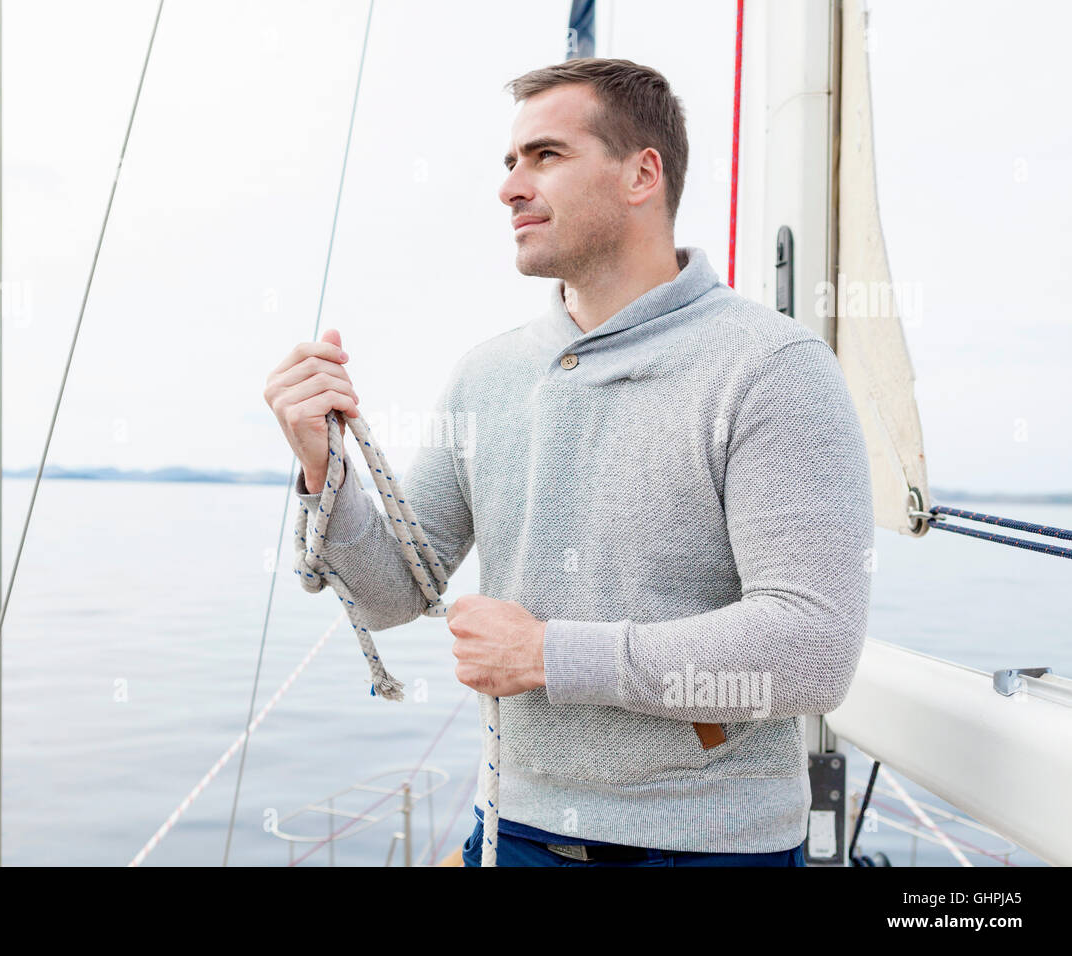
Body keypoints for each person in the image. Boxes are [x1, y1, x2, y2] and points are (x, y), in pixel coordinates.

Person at [263, 58, 872, 867]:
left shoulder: (771, 366)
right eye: (510, 163)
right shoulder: (487, 375)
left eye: (545, 156)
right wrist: (320, 468)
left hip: (708, 850)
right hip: (511, 830)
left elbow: (811, 651)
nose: (511, 186)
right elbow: (392, 595)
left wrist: (547, 654)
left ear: (640, 175)